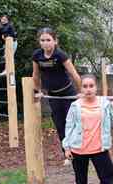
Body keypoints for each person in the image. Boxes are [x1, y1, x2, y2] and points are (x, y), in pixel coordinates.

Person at [62, 74, 113, 184]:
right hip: (78, 148)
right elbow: (69, 126)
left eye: (91, 86)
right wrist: (67, 147)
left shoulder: (104, 103)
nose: (88, 89)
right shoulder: (75, 105)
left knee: (108, 176)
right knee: (81, 178)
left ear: (96, 87)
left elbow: (112, 123)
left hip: (99, 148)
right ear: (81, 88)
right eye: (85, 86)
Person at [32, 27, 81, 159]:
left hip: (68, 94)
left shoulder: (60, 55)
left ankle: (78, 152)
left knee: (72, 123)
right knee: (60, 125)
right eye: (42, 40)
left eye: (48, 40)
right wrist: (37, 91)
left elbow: (74, 74)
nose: (45, 43)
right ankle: (67, 154)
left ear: (55, 41)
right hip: (53, 96)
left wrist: (81, 92)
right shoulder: (37, 55)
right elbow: (35, 75)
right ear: (39, 42)